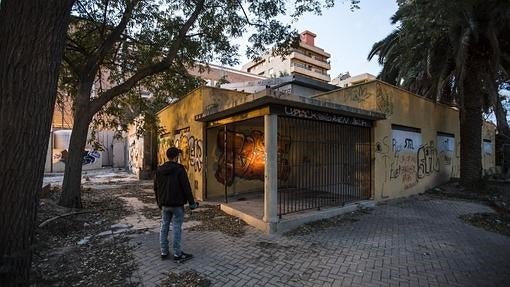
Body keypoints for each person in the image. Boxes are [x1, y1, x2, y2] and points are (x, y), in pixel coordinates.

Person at [154, 147, 198, 261]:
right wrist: (192, 203)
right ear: (176, 156)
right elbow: (186, 187)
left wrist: (159, 203)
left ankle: (164, 252)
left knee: (164, 226)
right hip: (177, 205)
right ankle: (177, 254)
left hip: (165, 204)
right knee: (176, 227)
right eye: (178, 155)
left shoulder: (159, 170)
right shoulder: (179, 169)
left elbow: (156, 188)